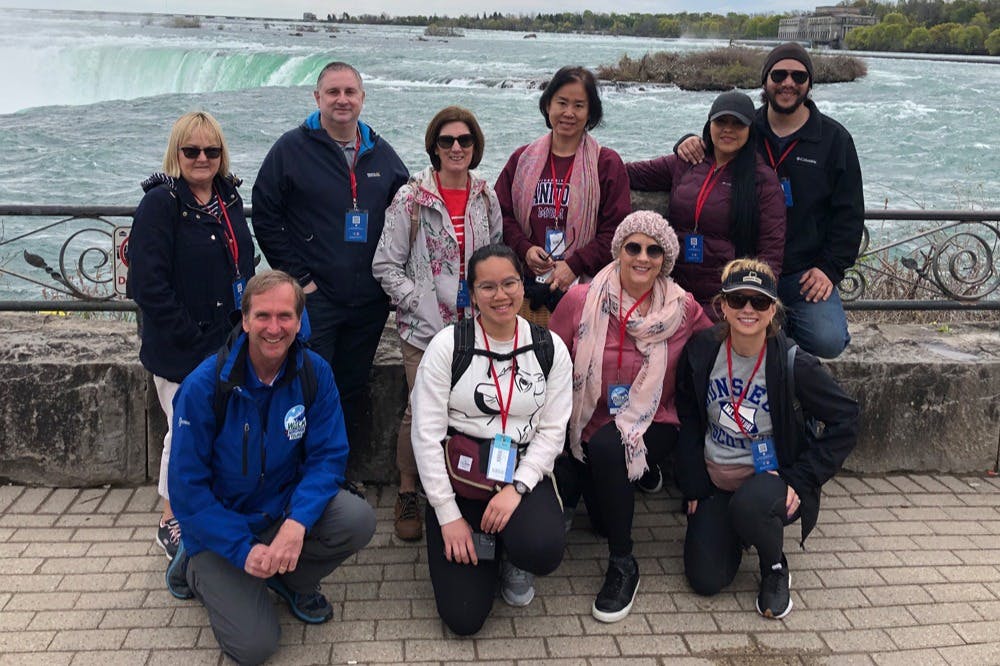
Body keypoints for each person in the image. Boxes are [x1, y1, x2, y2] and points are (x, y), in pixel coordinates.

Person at [165, 271, 376, 664]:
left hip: (278, 511)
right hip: (219, 528)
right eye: (262, 316)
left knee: (358, 519)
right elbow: (187, 490)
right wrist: (242, 550)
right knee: (255, 647)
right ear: (244, 320)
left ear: (300, 321)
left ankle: (289, 578)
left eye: (285, 316)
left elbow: (327, 458)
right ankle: (192, 566)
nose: (274, 328)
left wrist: (297, 524)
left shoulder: (315, 373)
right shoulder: (202, 387)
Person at [548, 211, 713, 623]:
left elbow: (716, 354)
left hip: (656, 422)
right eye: (633, 247)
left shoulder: (683, 309)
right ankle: (594, 480)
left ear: (666, 259)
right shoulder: (580, 300)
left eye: (654, 250)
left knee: (610, 447)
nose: (643, 257)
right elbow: (549, 362)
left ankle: (623, 563)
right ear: (618, 251)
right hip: (585, 424)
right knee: (601, 504)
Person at [675, 258, 858, 619]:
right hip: (717, 480)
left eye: (759, 302)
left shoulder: (793, 363)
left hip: (770, 482)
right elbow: (688, 415)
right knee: (706, 579)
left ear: (772, 309)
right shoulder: (701, 350)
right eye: (738, 299)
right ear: (722, 306)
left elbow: (847, 419)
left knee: (751, 505)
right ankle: (741, 529)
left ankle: (774, 567)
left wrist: (801, 479)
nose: (747, 309)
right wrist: (693, 483)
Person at [409, 244, 572, 635]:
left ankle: (513, 553)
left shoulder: (550, 347)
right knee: (464, 617)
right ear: (472, 292)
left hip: (520, 472)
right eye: (488, 286)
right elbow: (426, 435)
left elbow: (552, 431)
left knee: (543, 548)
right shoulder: (449, 346)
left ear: (523, 283)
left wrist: (517, 487)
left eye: (510, 283)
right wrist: (447, 515)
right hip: (462, 475)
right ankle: (475, 537)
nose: (501, 295)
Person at [252, 61, 409, 461]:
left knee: (351, 388)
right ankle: (296, 473)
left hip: (368, 303)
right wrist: (299, 280)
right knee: (307, 387)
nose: (342, 100)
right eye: (333, 92)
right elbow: (266, 214)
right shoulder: (291, 149)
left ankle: (336, 474)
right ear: (317, 98)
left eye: (350, 92)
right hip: (315, 298)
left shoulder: (381, 154)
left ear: (362, 99)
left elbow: (408, 214)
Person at [675, 43, 864, 358]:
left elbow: (850, 214)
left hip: (802, 274)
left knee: (827, 340)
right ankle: (773, 330)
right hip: (743, 268)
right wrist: (684, 142)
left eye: (798, 76)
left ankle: (779, 333)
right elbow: (711, 145)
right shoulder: (747, 126)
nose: (788, 83)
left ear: (809, 84)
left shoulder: (834, 140)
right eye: (779, 74)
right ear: (765, 81)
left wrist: (829, 269)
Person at [128, 111, 255, 561]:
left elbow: (245, 263)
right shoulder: (161, 204)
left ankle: (204, 508)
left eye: (212, 150)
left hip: (227, 341)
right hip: (182, 349)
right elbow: (146, 286)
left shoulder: (227, 197)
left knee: (212, 431)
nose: (202, 158)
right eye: (192, 150)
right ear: (176, 153)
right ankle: (170, 520)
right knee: (183, 433)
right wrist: (193, 338)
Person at [373, 106, 503, 542]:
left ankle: (461, 482)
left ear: (475, 146)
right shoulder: (410, 199)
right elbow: (385, 265)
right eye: (446, 141)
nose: (456, 148)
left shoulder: (486, 197)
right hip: (425, 331)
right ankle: (409, 490)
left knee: (471, 407)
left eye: (464, 140)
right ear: (433, 146)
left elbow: (496, 256)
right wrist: (418, 303)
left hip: (477, 327)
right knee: (420, 411)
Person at [628, 91, 786, 318]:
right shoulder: (688, 161)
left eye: (738, 124)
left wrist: (747, 305)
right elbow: (629, 174)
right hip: (673, 290)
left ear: (750, 130)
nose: (728, 129)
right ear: (709, 124)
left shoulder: (762, 180)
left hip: (724, 300)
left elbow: (770, 252)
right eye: (721, 121)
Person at [495, 65, 630, 321]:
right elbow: (501, 213)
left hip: (584, 292)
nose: (569, 113)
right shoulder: (522, 159)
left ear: (591, 112)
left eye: (579, 105)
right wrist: (524, 249)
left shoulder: (607, 164)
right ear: (548, 106)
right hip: (526, 289)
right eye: (562, 103)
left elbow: (617, 231)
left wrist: (574, 265)